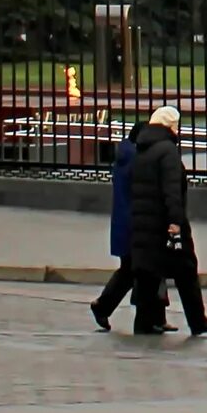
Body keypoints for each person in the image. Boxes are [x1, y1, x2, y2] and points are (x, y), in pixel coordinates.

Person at [126, 104, 207, 337]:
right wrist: (175, 221)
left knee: (148, 273)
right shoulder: (167, 151)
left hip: (144, 223)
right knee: (186, 270)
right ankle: (197, 320)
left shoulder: (142, 148)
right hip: (165, 224)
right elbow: (171, 191)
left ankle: (144, 323)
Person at [88, 118, 137, 331]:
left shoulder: (125, 157)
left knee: (130, 270)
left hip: (124, 222)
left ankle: (104, 305)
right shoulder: (135, 160)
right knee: (134, 269)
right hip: (133, 223)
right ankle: (104, 305)